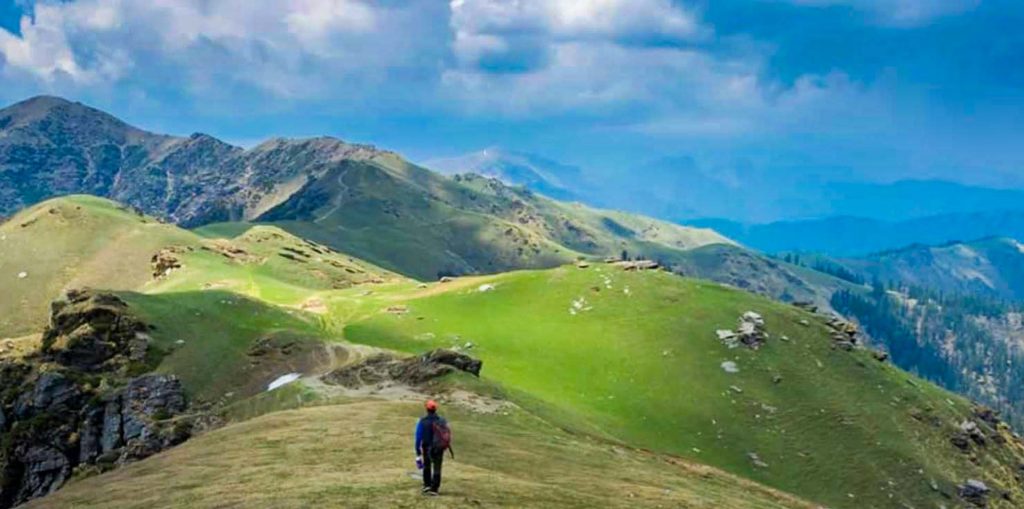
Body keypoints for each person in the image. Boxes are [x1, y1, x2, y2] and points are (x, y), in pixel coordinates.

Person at [414, 399, 451, 495]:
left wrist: (417, 450)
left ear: (426, 409)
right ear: (436, 409)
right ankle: (435, 489)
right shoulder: (442, 420)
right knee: (437, 467)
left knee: (427, 466)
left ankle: (427, 485)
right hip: (439, 447)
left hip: (427, 447)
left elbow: (418, 436)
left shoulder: (422, 421)